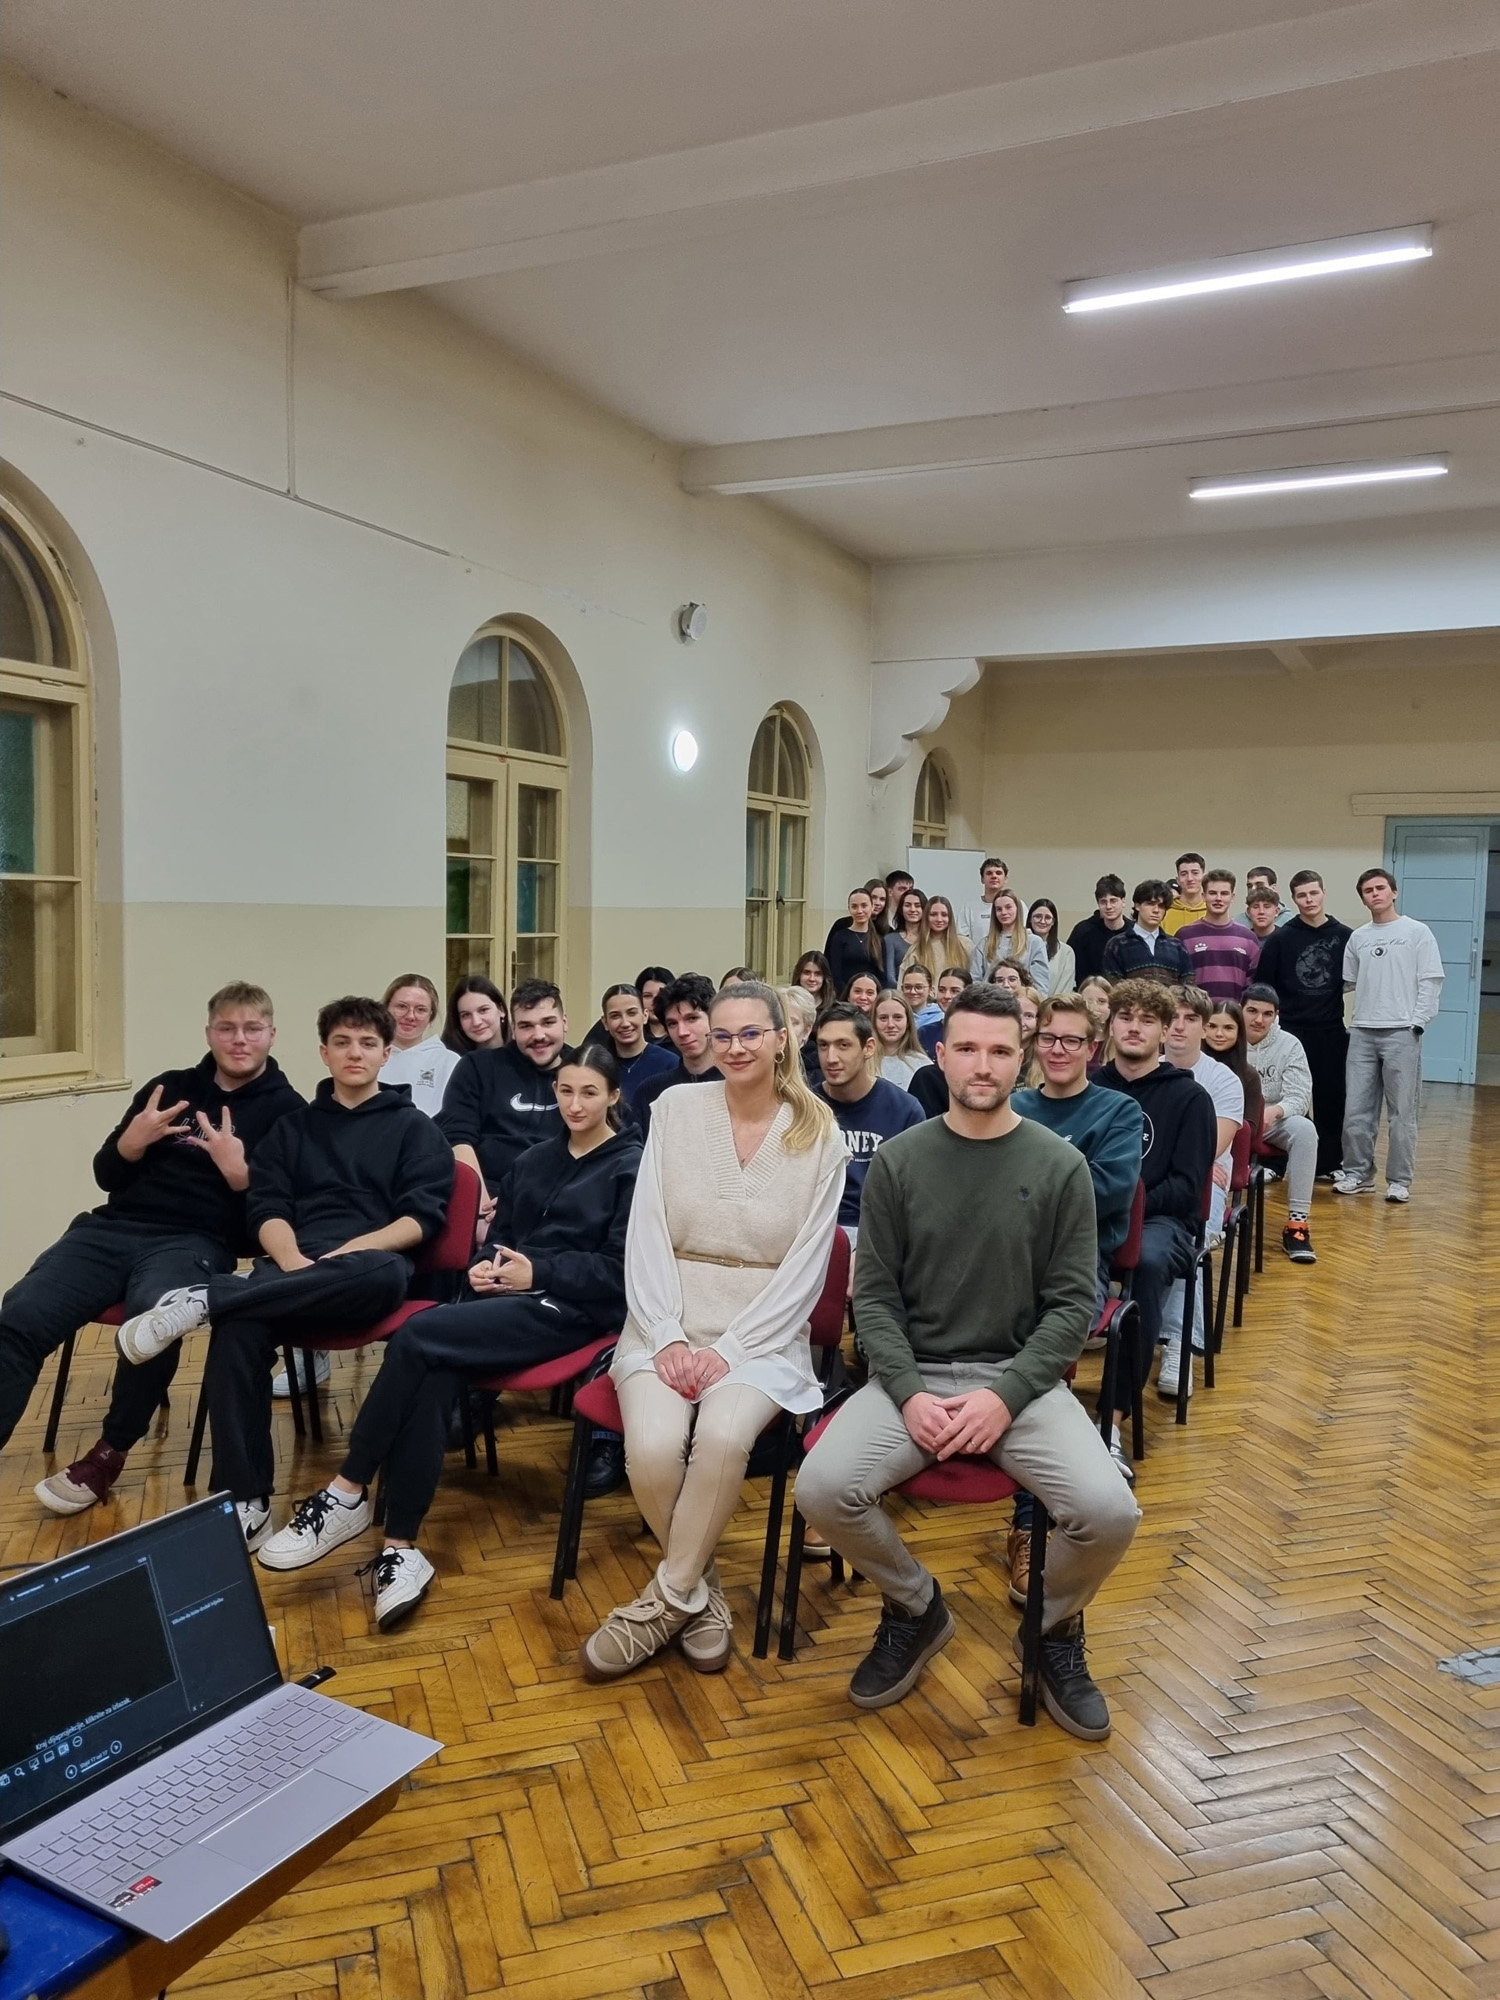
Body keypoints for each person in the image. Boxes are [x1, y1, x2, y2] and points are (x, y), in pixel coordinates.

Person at [795, 985, 1139, 1737]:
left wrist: (1006, 1397)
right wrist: (908, 1392)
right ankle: (916, 1606)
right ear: (941, 1056)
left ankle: (1052, 1627)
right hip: (913, 1378)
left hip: (1020, 1381)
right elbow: (874, 1300)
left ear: (1022, 1061)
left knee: (1110, 1512)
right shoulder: (899, 1161)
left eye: (1000, 1051)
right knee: (821, 1489)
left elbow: (1071, 1307)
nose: (983, 1065)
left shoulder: (1061, 1166)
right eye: (969, 1049)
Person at [257, 1048, 640, 1628]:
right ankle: (401, 1549)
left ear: (613, 1096)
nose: (574, 1104)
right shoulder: (535, 1159)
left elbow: (619, 1273)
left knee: (418, 1333)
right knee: (435, 1368)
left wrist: (537, 1272)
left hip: (573, 1312)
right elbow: (499, 1241)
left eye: (589, 1092)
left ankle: (346, 1489)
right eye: (565, 1090)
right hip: (506, 1302)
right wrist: (486, 1268)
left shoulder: (632, 1168)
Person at [113, 997, 454, 1548]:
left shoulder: (416, 1129)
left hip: (369, 1265)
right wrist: (294, 1263)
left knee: (383, 1275)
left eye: (368, 1043)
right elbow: (266, 1207)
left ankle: (207, 1298)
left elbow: (420, 1219)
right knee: (237, 1332)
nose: (355, 1053)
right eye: (342, 1042)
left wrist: (348, 1252)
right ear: (323, 1052)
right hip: (293, 1265)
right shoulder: (293, 1127)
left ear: (386, 1055)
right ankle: (246, 1498)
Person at [582, 982, 846, 1679]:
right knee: (652, 1448)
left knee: (725, 1439)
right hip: (664, 1310)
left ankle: (663, 1602)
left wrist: (729, 1350)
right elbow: (645, 1230)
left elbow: (807, 1269)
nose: (735, 1047)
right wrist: (667, 1334)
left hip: (763, 1327)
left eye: (751, 1033)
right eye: (722, 1035)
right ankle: (700, 1589)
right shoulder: (674, 1108)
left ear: (782, 1038)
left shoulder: (820, 1131)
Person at [12, 984, 303, 1512]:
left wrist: (241, 1176)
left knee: (152, 1321)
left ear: (271, 1034)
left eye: (252, 1029)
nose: (239, 1039)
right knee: (19, 1316)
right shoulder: (168, 1088)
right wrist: (130, 1144)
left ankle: (110, 1451)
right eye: (227, 1028)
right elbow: (107, 1176)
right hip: (110, 1230)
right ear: (209, 1033)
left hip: (195, 1242)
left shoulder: (288, 1112)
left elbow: (266, 1228)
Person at [1013, 993, 1144, 1485]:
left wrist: (1020, 1187)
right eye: (1048, 1038)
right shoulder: (1014, 1105)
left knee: (1041, 1329)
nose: (1058, 1049)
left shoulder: (1119, 1110)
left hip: (1077, 1261)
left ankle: (1057, 1452)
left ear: (1092, 1048)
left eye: (1071, 1040)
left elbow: (1107, 1193)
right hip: (1005, 1253)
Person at [1096, 981, 1216, 1411]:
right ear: (1110, 1026)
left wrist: (1126, 1208)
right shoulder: (1090, 1087)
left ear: (1165, 1031)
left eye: (1147, 1020)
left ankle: (1114, 1414)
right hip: (1092, 1215)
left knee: (1144, 1262)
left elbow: (1186, 1187)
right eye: (1125, 1018)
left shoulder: (1190, 1097)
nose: (1134, 1028)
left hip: (1161, 1223)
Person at [1336, 867, 1444, 1202]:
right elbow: (1349, 982)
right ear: (1363, 899)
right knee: (1356, 1111)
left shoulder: (1417, 932)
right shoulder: (1359, 938)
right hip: (1362, 1032)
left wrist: (1418, 1022)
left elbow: (1430, 980)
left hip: (1401, 1032)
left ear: (1393, 892)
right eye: (1368, 891)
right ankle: (1357, 1174)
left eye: (1380, 888)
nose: (1375, 894)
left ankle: (1399, 1181)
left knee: (1401, 1114)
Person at [438, 981, 574, 1233]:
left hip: (562, 1205)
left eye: (547, 1022)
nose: (538, 1035)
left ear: (564, 1022)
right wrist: (479, 1214)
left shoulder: (586, 1071)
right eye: (526, 1026)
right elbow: (457, 1139)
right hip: (489, 1202)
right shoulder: (477, 1067)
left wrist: (531, 1202)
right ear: (513, 1028)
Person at [1161, 985, 1243, 1395]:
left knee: (1185, 1243)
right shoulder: (1142, 1067)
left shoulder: (1223, 1080)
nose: (1179, 1026)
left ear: (1205, 1028)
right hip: (1151, 1180)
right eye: (1172, 1017)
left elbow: (1211, 1148)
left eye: (1190, 1019)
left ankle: (1179, 1345)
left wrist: (1186, 1158)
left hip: (1202, 1185)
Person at [1255, 871, 1351, 1177]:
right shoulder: (1280, 939)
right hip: (1290, 1030)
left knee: (1331, 1097)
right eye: (1302, 895)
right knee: (1281, 1098)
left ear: (1323, 893)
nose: (1309, 900)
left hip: (1329, 1029)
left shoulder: (1345, 936)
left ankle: (1329, 1163)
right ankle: (1274, 1164)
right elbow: (1264, 987)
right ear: (1293, 899)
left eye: (1313, 893)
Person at [813, 1003, 923, 1268]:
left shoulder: (905, 1109)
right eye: (823, 1046)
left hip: (880, 1232)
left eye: (843, 1045)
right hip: (816, 1230)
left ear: (868, 1048)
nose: (831, 1058)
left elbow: (915, 1196)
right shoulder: (806, 1108)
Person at [1241, 987, 1318, 1263]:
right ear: (1240, 1010)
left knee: (1305, 1130)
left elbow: (1300, 1096)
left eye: (1267, 1014)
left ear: (1276, 1016)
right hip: (1232, 1118)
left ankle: (1297, 1225)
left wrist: (1275, 1111)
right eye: (1252, 1011)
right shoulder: (1225, 1036)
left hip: (1272, 1119)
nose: (1259, 1020)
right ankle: (1211, 1221)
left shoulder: (1290, 1045)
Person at [631, 973, 722, 1135]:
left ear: (713, 1019)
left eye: (692, 1018)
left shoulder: (735, 1085)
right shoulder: (650, 1091)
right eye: (672, 1023)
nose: (682, 1032)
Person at [1176, 871, 1261, 1006]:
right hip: (1197, 1014)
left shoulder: (1248, 938)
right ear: (1203, 896)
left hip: (1235, 1015)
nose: (1218, 898)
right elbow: (1178, 983)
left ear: (1232, 897)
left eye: (1224, 893)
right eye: (1212, 893)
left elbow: (1254, 985)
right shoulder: (1185, 936)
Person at [380, 975, 461, 1116]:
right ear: (386, 1008)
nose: (410, 1016)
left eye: (421, 1010)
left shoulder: (448, 1062)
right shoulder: (369, 1057)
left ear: (431, 1015)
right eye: (401, 1006)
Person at [599, 984, 679, 1103]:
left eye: (631, 1013)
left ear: (645, 1016)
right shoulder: (598, 1066)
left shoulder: (670, 1064)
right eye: (615, 1016)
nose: (625, 1023)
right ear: (605, 1022)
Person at [1101, 881, 1190, 986]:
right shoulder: (1117, 945)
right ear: (1137, 905)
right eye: (1150, 904)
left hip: (1171, 997)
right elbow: (1113, 987)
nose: (1156, 910)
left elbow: (1188, 986)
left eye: (1161, 906)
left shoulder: (1177, 946)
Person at [1204, 1001, 1265, 1143]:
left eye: (1228, 1028)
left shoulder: (1249, 1076)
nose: (1219, 1034)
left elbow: (1250, 1131)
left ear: (1239, 1032)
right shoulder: (1190, 1066)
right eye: (1212, 1026)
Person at [971, 891, 1049, 987]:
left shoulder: (1034, 943)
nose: (1003, 912)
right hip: (990, 996)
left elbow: (1040, 984)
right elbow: (975, 982)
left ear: (1017, 909)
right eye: (999, 909)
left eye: (1008, 907)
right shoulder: (984, 944)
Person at [1067, 876, 1128, 984]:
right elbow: (1071, 969)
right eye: (1103, 902)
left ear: (1123, 902)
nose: (1108, 906)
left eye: (1113, 901)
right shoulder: (1082, 931)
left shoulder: (1134, 932)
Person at [825, 888, 885, 994]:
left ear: (872, 907)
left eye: (864, 906)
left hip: (871, 996)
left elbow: (882, 974)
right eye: (854, 907)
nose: (859, 911)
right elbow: (835, 973)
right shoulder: (840, 937)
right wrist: (848, 995)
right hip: (844, 996)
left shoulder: (879, 940)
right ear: (849, 909)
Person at [872, 990, 933, 1090]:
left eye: (898, 1017)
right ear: (874, 1021)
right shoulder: (862, 1063)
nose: (890, 1024)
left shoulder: (922, 1064)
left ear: (908, 1021)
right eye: (883, 1018)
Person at [957, 856, 1022, 945]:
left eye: (998, 873)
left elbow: (1023, 933)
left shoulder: (1017, 904)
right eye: (989, 873)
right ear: (982, 879)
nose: (994, 876)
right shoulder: (968, 908)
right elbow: (962, 940)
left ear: (1005, 879)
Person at [441, 975, 509, 1055]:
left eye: (483, 1010)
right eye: (466, 1015)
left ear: (501, 1010)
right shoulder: (448, 1059)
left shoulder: (520, 1053)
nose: (476, 1022)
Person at [1027, 898, 1076, 995]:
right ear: (1030, 919)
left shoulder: (1065, 952)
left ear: (1053, 922)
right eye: (1037, 916)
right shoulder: (1019, 947)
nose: (1042, 921)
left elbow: (1064, 988)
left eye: (1048, 918)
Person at [917, 895, 973, 978]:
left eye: (944, 915)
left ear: (950, 917)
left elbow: (975, 976)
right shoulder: (917, 949)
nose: (939, 919)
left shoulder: (965, 944)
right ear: (926, 917)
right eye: (933, 914)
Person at [777, 984, 821, 1087]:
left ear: (807, 1031)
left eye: (793, 1023)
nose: (785, 1028)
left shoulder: (816, 1070)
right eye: (781, 1021)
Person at [884, 887, 928, 986]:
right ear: (901, 909)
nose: (912, 909)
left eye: (917, 905)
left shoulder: (931, 939)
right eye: (907, 905)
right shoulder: (890, 940)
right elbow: (890, 977)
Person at [899, 960, 944, 1054]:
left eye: (919, 987)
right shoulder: (896, 1017)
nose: (912, 992)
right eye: (907, 987)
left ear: (931, 990)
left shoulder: (941, 1017)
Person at [1162, 854, 1207, 936]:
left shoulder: (1212, 911)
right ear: (1178, 880)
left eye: (1195, 873)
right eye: (1184, 874)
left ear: (1203, 877)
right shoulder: (1164, 912)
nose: (1190, 879)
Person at [636, 967, 674, 1042]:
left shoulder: (681, 1035)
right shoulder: (632, 1036)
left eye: (661, 994)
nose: (654, 1001)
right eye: (647, 996)